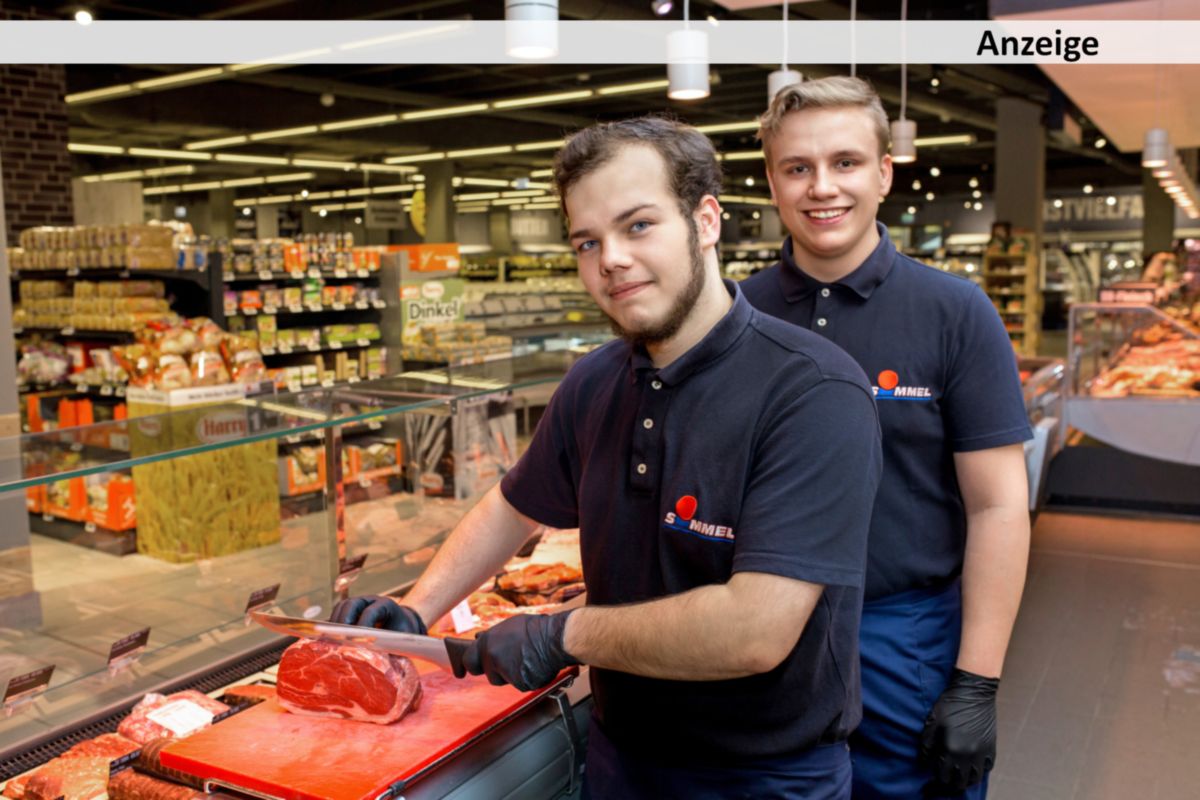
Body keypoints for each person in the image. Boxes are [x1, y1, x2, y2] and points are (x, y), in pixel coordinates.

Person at [333, 116, 883, 798]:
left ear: (706, 220)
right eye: (587, 242)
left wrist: (563, 634)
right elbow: (511, 507)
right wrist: (418, 613)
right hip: (621, 753)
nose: (611, 259)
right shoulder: (594, 382)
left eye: (638, 226)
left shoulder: (813, 390)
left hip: (763, 775)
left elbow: (756, 629)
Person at [741, 76, 1033, 800]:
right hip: (760, 638)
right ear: (772, 182)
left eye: (845, 162)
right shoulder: (735, 313)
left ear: (883, 173)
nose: (822, 187)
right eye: (797, 168)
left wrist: (976, 682)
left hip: (904, 639)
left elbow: (998, 505)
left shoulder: (954, 312)